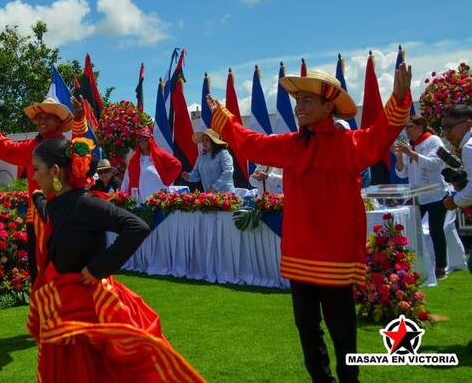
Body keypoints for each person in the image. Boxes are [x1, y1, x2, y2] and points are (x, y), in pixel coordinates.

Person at [206, 64, 411, 383]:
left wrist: (398, 98)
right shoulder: (290, 145)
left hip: (336, 258)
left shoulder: (350, 144)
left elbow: (381, 135)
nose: (299, 108)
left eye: (307, 101)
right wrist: (225, 118)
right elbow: (249, 143)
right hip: (299, 255)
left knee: (343, 332)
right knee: (307, 329)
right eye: (297, 101)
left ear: (329, 107)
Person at [28, 136, 204, 382]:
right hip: (63, 306)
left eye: (37, 170)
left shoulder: (86, 204)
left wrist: (98, 268)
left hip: (89, 306)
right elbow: (50, 214)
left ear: (56, 171)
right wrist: (38, 199)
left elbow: (137, 227)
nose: (34, 177)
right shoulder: (58, 204)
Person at [0, 96, 88, 283]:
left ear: (58, 122)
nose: (41, 121)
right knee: (37, 266)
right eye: (39, 118)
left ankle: (63, 303)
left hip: (62, 212)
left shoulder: (64, 146)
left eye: (47, 117)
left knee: (63, 263)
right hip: (35, 213)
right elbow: (8, 149)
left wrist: (79, 119)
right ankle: (41, 304)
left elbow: (79, 151)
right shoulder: (31, 146)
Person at [392, 115, 450, 280]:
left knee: (435, 230)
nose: (407, 131)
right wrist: (398, 156)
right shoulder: (410, 146)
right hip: (417, 195)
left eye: (410, 127)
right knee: (411, 230)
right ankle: (414, 265)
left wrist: (411, 153)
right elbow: (402, 173)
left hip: (436, 194)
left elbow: (435, 164)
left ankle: (440, 267)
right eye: (406, 127)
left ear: (420, 127)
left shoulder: (433, 140)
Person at [439, 105, 472, 276]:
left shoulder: (469, 147)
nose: (446, 132)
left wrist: (454, 201)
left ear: (468, 124)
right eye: (443, 127)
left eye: (450, 126)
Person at [120, 128, 181, 204]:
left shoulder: (159, 154)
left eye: (144, 140)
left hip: (157, 199)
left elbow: (177, 165)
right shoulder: (134, 159)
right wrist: (122, 194)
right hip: (139, 200)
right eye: (140, 140)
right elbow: (127, 178)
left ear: (150, 140)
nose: (142, 142)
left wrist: (166, 181)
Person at [182, 129, 235, 193]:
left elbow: (228, 172)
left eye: (207, 140)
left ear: (213, 142)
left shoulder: (223, 153)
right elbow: (196, 174)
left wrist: (214, 187)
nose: (204, 143)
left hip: (226, 195)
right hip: (210, 195)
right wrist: (189, 176)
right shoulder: (201, 156)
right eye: (203, 140)